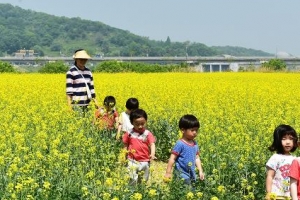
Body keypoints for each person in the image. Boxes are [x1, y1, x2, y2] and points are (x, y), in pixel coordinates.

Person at [164, 114, 204, 187]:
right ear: (183, 130)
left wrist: (200, 171)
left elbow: (197, 158)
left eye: (196, 130)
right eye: (192, 130)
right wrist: (168, 172)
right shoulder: (180, 144)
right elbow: (172, 158)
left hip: (192, 173)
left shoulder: (195, 144)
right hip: (181, 174)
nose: (195, 132)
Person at [122, 108, 156, 185]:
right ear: (132, 122)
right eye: (137, 124)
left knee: (143, 179)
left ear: (146, 121)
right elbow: (125, 145)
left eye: (142, 124)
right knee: (132, 179)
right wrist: (124, 156)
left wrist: (152, 154)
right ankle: (131, 192)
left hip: (145, 161)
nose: (140, 126)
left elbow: (152, 144)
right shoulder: (129, 133)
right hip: (132, 160)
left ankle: (141, 192)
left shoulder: (147, 134)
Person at [265, 124, 298, 200]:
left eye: (291, 139)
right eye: (284, 139)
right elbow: (270, 176)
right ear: (278, 140)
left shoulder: (295, 159)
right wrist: (269, 193)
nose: (288, 142)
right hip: (277, 195)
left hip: (291, 196)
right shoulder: (275, 158)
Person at [66, 49, 99, 114]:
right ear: (76, 59)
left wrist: (96, 102)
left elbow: (92, 89)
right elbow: (69, 92)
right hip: (76, 106)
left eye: (84, 59)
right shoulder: (71, 72)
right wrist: (69, 107)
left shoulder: (89, 72)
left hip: (88, 105)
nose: (83, 61)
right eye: (80, 59)